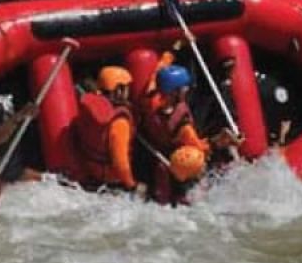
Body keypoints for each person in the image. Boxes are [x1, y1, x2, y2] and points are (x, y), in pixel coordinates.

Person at [139, 64, 237, 204]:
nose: (187, 89)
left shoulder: (151, 102)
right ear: (174, 92)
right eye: (184, 87)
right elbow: (201, 149)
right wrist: (220, 141)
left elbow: (155, 76)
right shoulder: (183, 126)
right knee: (198, 158)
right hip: (179, 165)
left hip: (159, 158)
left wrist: (169, 55)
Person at [74, 66, 143, 195]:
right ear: (119, 90)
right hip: (111, 181)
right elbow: (120, 162)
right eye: (127, 87)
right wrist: (132, 185)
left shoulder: (89, 108)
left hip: (90, 173)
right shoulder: (119, 122)